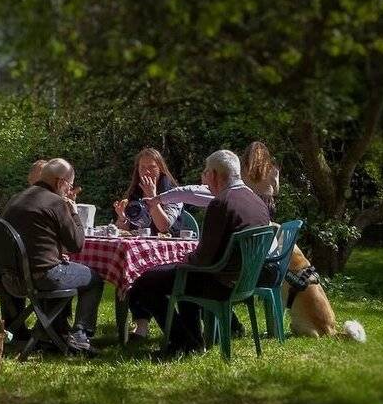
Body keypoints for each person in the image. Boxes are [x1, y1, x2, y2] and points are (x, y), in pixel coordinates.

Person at [128, 150, 270, 358]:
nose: (204, 178)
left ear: (213, 174)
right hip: (244, 281)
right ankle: (193, 341)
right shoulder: (257, 202)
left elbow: (203, 260)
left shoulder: (221, 203)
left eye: (205, 172)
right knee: (180, 276)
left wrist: (185, 261)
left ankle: (181, 341)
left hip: (218, 281)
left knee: (146, 281)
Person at [2, 158, 104, 354]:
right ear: (60, 182)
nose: (69, 191)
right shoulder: (55, 202)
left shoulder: (16, 198)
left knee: (62, 270)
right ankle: (80, 335)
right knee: (94, 278)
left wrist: (54, 253)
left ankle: (54, 332)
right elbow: (77, 244)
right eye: (69, 185)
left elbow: (32, 239)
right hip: (41, 278)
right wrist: (74, 213)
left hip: (11, 278)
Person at [113, 148, 183, 340]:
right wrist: (122, 219)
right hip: (143, 250)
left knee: (140, 273)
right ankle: (141, 326)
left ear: (161, 168)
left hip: (169, 252)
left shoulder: (172, 192)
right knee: (132, 268)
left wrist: (153, 198)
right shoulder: (135, 191)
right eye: (142, 167)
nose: (146, 172)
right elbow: (132, 226)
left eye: (151, 167)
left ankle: (171, 330)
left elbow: (163, 227)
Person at [241, 141, 280, 220]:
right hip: (266, 204)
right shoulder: (273, 171)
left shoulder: (241, 171)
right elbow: (276, 192)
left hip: (247, 202)